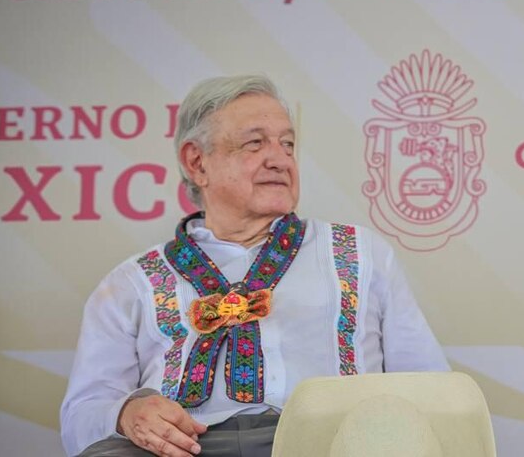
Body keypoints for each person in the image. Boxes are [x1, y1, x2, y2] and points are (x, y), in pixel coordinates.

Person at [60, 75, 449, 457]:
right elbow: (81, 417)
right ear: (197, 162)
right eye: (255, 143)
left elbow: (433, 389)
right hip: (185, 447)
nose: (280, 160)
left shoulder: (358, 253)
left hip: (329, 445)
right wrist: (126, 412)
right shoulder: (132, 282)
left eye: (288, 144)